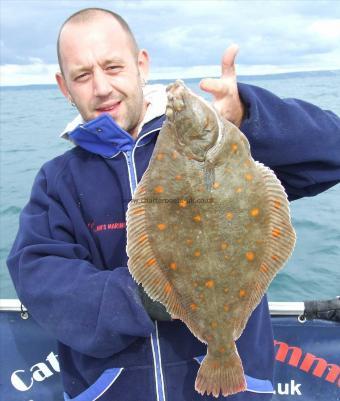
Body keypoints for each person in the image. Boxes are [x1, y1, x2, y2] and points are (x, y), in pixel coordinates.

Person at [7, 7, 340, 401]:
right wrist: (144, 298)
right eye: (83, 75)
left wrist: (249, 115)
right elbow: (40, 278)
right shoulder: (58, 181)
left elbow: (330, 153)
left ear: (140, 64)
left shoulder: (234, 149)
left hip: (238, 387)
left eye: (113, 67)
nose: (101, 87)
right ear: (65, 87)